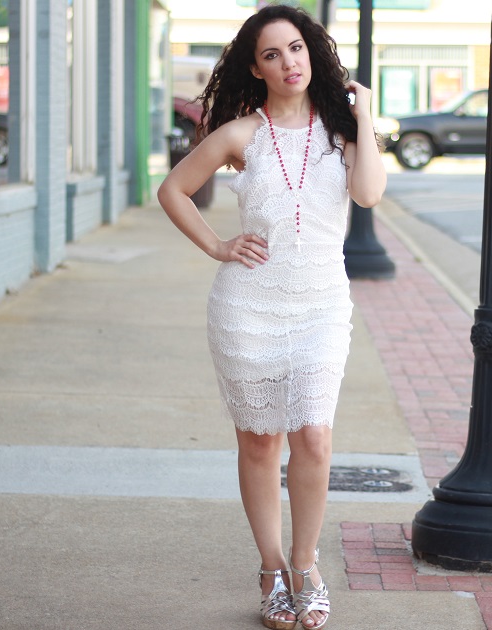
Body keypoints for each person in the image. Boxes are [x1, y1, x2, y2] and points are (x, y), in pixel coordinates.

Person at [158, 4, 386, 628]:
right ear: (256, 69)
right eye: (272, 55)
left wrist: (364, 117)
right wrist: (218, 246)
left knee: (313, 433)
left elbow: (367, 193)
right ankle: (270, 569)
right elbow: (172, 190)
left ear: (313, 52)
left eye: (296, 48)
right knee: (260, 442)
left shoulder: (342, 131)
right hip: (247, 306)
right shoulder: (241, 134)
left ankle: (305, 564)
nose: (289, 63)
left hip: (320, 306)